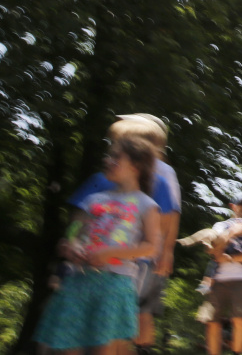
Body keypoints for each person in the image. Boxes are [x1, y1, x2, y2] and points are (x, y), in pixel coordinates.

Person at [34, 136, 162, 353]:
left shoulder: (146, 204)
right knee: (66, 345)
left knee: (104, 348)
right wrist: (71, 245)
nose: (107, 160)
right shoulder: (94, 199)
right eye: (107, 155)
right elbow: (73, 231)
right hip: (78, 282)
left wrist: (112, 252)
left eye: (115, 156)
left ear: (136, 165)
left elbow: (151, 247)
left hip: (114, 286)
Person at [67, 116, 180, 354]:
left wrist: (163, 251)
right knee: (74, 330)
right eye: (111, 150)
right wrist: (71, 241)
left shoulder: (156, 185)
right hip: (84, 270)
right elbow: (77, 221)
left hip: (126, 271)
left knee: (113, 331)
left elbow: (165, 222)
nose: (108, 159)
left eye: (117, 152)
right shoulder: (97, 184)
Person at [205, 195, 242, 355]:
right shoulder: (220, 225)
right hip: (218, 280)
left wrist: (230, 258)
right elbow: (213, 250)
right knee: (213, 322)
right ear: (233, 206)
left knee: (239, 320)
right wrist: (232, 233)